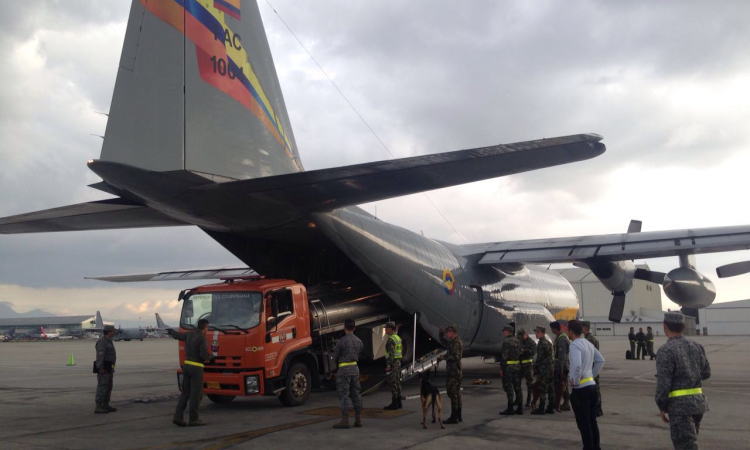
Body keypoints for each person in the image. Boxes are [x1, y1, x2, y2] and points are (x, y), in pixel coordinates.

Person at [655, 312, 711, 450]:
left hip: (680, 408)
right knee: (690, 443)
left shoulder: (665, 351)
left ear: (664, 326)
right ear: (684, 326)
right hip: (698, 404)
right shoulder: (697, 346)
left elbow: (664, 383)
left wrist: (661, 406)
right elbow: (707, 373)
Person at [568, 320, 605, 450]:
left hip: (581, 389)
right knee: (592, 421)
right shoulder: (588, 343)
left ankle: (588, 447)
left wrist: (576, 381)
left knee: (584, 423)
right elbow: (600, 360)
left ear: (571, 332)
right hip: (592, 386)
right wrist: (591, 376)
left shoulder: (574, 345)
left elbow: (577, 365)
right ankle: (596, 447)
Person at [169, 318, 213, 427]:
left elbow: (179, 336)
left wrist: (172, 333)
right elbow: (203, 355)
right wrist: (211, 358)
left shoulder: (190, 334)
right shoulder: (202, 338)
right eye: (208, 328)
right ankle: (194, 419)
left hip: (187, 366)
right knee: (196, 394)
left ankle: (178, 417)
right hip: (196, 368)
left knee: (185, 393)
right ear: (205, 327)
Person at [333, 318, 364, 429]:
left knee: (344, 394)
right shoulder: (359, 341)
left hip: (344, 371)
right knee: (356, 393)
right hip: (355, 369)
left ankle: (345, 420)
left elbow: (335, 357)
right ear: (354, 328)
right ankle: (358, 418)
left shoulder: (341, 341)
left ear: (344, 327)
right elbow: (360, 352)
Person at [438, 324, 463, 424]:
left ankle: (454, 417)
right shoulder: (453, 342)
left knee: (453, 393)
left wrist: (443, 358)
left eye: (447, 332)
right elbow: (444, 342)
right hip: (454, 371)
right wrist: (440, 334)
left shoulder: (456, 343)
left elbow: (455, 357)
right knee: (456, 394)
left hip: (454, 372)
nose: (447, 334)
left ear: (452, 332)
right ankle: (458, 415)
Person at [499, 325, 523, 415]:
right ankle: (520, 408)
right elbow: (520, 352)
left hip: (509, 368)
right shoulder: (518, 340)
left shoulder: (506, 342)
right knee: (517, 387)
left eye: (504, 331)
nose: (503, 332)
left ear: (508, 331)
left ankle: (510, 408)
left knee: (509, 388)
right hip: (517, 366)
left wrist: (502, 368)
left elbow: (504, 356)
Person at [531, 326, 555, 415]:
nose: (536, 334)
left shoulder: (542, 344)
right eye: (536, 332)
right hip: (550, 369)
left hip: (543, 370)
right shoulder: (548, 343)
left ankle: (541, 408)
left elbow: (539, 358)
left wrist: (536, 369)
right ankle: (551, 407)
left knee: (542, 389)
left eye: (538, 332)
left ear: (543, 333)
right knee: (551, 389)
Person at [94, 324, 117, 414]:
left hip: (109, 366)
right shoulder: (102, 341)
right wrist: (100, 367)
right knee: (102, 386)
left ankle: (105, 403)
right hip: (104, 366)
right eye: (113, 331)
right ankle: (98, 405)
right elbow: (100, 355)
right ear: (109, 332)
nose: (114, 332)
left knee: (108, 386)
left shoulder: (108, 341)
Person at [582, 321, 603, 417]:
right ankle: (598, 409)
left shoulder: (588, 340)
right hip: (593, 367)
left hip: (591, 368)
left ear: (585, 328)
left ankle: (595, 409)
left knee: (593, 390)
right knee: (596, 389)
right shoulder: (593, 339)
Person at [550, 321, 571, 411]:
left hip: (562, 366)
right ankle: (559, 402)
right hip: (561, 365)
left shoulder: (561, 339)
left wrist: (561, 369)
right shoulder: (559, 337)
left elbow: (562, 355)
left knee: (562, 385)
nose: (551, 330)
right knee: (559, 385)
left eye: (552, 328)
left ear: (555, 329)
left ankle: (566, 402)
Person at [383, 321, 403, 410]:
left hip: (393, 363)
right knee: (398, 382)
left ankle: (394, 403)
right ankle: (399, 402)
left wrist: (388, 365)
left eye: (386, 328)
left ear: (391, 329)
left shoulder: (391, 340)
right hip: (398, 363)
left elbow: (391, 353)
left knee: (393, 383)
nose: (385, 330)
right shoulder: (397, 337)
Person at [518, 328, 537, 407]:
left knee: (529, 384)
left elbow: (533, 352)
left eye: (522, 336)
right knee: (517, 383)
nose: (521, 338)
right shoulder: (519, 341)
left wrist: (524, 351)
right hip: (519, 366)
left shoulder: (531, 342)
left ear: (526, 334)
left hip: (528, 366)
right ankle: (518, 400)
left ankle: (529, 400)